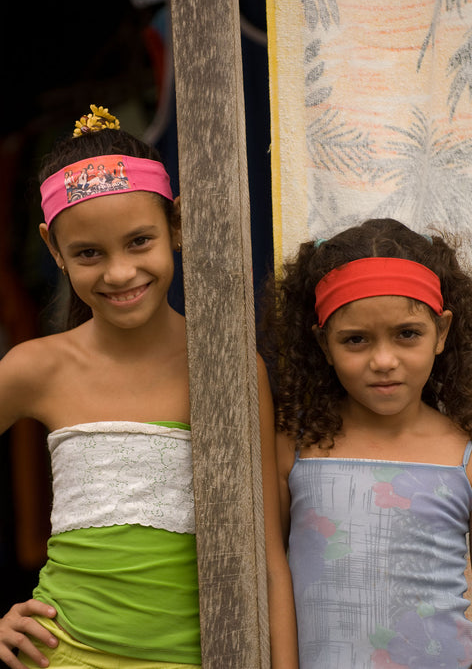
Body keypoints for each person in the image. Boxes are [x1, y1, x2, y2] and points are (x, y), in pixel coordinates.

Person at [0, 105, 291, 669]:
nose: (118, 273)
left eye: (139, 241)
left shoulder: (229, 369)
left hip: (203, 657)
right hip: (66, 655)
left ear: (175, 226)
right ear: (53, 250)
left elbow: (269, 556)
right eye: (88, 253)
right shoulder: (35, 368)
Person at [260, 218, 472, 669]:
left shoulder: (464, 455)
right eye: (355, 340)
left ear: (443, 332)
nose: (383, 361)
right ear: (322, 343)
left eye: (407, 334)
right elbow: (271, 571)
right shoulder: (293, 446)